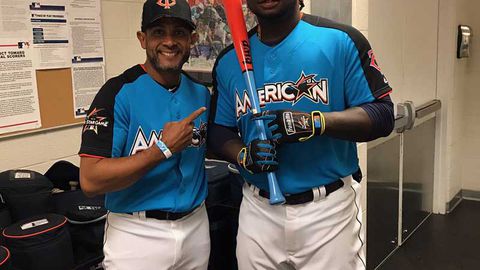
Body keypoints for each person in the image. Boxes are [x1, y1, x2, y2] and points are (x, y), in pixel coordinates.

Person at [208, 0, 394, 269]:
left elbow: (382, 114)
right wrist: (243, 155)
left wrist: (314, 122)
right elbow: (218, 129)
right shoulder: (228, 61)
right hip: (257, 212)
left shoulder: (340, 40)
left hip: (328, 212)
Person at [78, 0, 211, 269]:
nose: (170, 42)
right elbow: (91, 180)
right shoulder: (117, 92)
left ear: (192, 40)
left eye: (180, 33)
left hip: (196, 225)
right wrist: (161, 149)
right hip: (137, 232)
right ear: (142, 39)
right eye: (159, 32)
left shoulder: (201, 94)